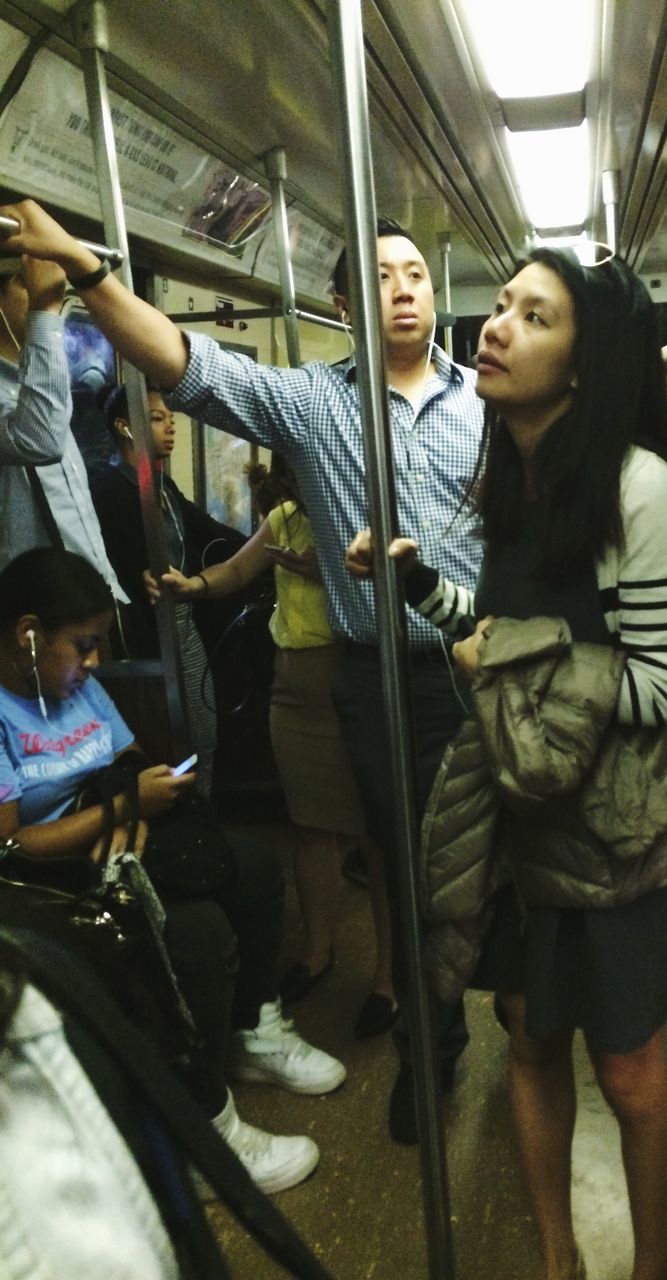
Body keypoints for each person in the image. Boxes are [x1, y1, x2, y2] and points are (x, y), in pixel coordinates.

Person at [0, 197, 485, 1144]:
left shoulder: (488, 407)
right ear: (344, 304)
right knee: (410, 862)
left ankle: (516, 1026)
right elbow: (185, 363)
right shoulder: (315, 403)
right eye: (381, 278)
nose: (404, 291)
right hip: (378, 674)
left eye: (416, 274)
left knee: (496, 867)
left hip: (482, 664)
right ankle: (437, 1044)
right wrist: (88, 278)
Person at [349, 248, 667, 1280]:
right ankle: (558, 1259)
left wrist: (511, 654)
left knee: (631, 1071)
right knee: (527, 1042)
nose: (496, 325)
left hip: (624, 821)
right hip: (530, 805)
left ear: (583, 363)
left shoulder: (639, 483)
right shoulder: (517, 482)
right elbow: (505, 632)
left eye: (535, 315)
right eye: (503, 307)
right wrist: (423, 586)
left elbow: (664, 686)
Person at [0, 547, 347, 1195]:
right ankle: (201, 1134)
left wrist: (126, 802)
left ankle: (250, 1031)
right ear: (27, 635)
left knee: (252, 868)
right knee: (197, 932)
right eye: (84, 644)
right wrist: (122, 810)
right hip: (45, 883)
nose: (95, 661)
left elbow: (124, 753)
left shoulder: (77, 689)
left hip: (113, 841)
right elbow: (16, 845)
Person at [149, 452, 395, 1035]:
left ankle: (389, 978)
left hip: (355, 680)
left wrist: (326, 572)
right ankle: (317, 950)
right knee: (309, 827)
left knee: (373, 833)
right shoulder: (284, 518)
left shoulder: (369, 514)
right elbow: (235, 571)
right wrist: (192, 585)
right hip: (293, 685)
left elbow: (400, 594)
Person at [90, 383, 245, 796]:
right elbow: (109, 566)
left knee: (203, 730)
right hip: (144, 631)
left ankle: (202, 818)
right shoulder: (109, 490)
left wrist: (261, 548)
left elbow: (206, 529)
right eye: (158, 418)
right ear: (125, 427)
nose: (170, 427)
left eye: (170, 418)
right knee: (168, 737)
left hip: (182, 618)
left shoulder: (161, 486)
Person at [0, 255, 125, 603]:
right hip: (37, 608)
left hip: (95, 594)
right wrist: (44, 311)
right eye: (29, 284)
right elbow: (40, 442)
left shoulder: (39, 383)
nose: (53, 297)